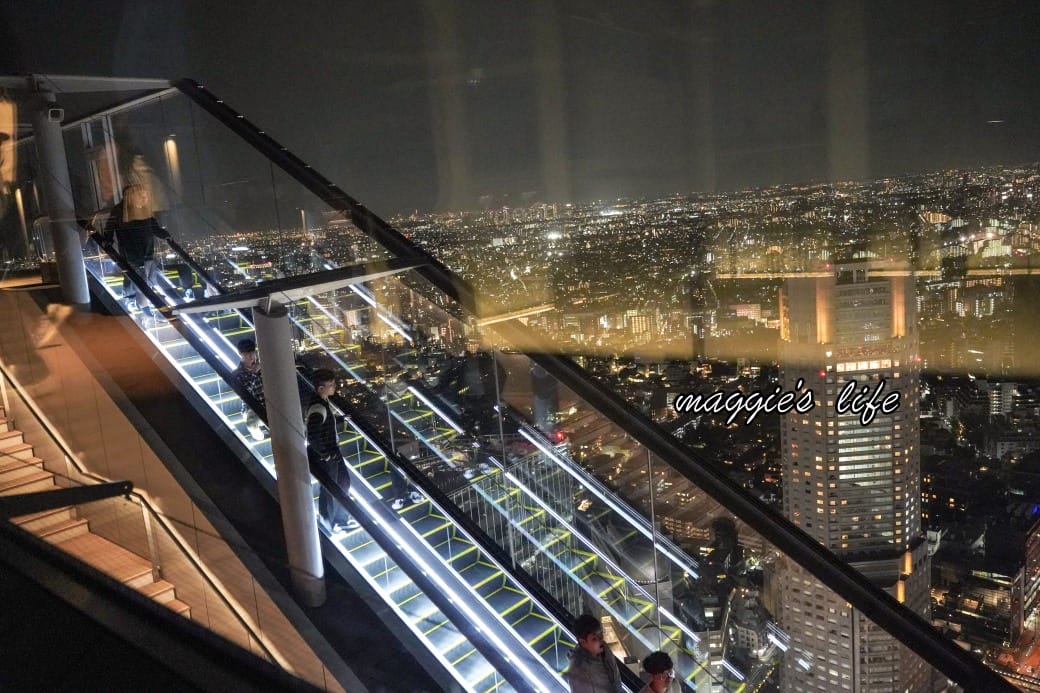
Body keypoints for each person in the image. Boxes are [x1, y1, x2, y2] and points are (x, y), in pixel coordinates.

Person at [306, 369, 358, 533]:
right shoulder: (317, 407)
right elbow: (312, 436)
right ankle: (328, 523)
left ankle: (341, 519)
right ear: (321, 388)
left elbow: (325, 425)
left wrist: (341, 419)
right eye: (331, 384)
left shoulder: (323, 402)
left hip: (332, 452)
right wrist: (326, 455)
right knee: (329, 489)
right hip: (327, 455)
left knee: (343, 483)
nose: (335, 386)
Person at [101, 184, 169, 306]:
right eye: (141, 196)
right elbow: (109, 228)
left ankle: (135, 301)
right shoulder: (120, 211)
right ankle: (141, 304)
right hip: (133, 255)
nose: (145, 199)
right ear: (132, 197)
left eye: (146, 196)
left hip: (145, 254)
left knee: (139, 278)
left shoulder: (141, 210)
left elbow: (153, 227)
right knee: (139, 279)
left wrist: (165, 235)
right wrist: (108, 240)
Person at [566, 614, 622, 693]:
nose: (601, 640)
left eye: (601, 634)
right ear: (583, 642)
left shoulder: (604, 650)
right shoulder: (578, 671)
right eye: (594, 638)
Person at [231, 338, 266, 441]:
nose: (251, 356)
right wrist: (254, 373)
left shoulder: (264, 366)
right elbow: (246, 393)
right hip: (252, 407)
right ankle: (260, 436)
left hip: (268, 404)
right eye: (247, 354)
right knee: (251, 423)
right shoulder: (237, 374)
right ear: (240, 354)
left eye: (253, 352)